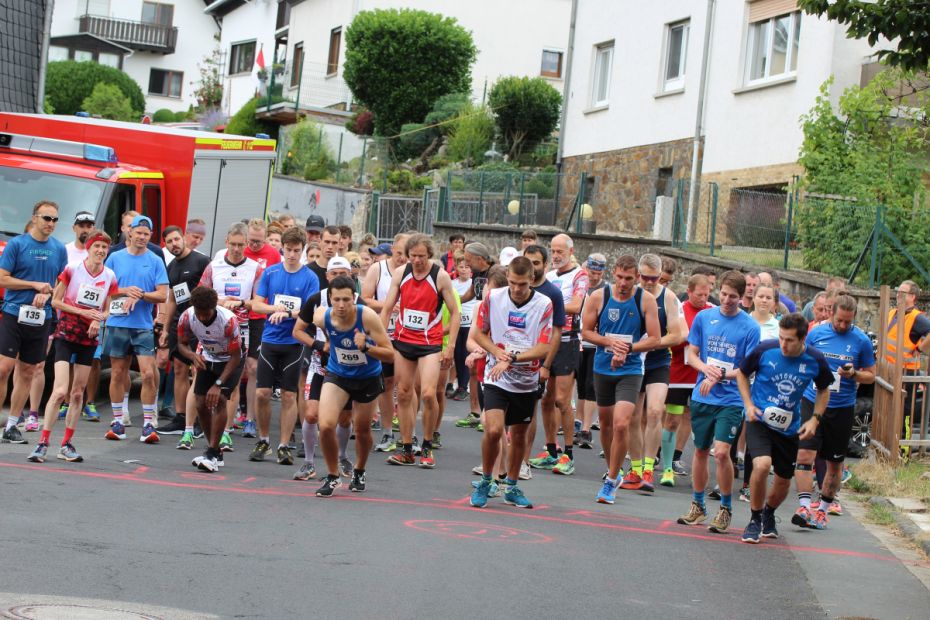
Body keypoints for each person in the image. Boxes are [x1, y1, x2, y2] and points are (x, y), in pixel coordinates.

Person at [736, 313, 833, 544]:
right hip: (759, 420)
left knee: (783, 481)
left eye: (789, 340)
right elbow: (741, 373)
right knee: (761, 465)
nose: (783, 344)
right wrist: (748, 404)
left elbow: (824, 389)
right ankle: (754, 518)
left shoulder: (814, 359)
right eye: (781, 338)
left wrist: (815, 419)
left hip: (789, 428)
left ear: (802, 339)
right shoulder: (765, 350)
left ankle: (769, 513)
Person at [677, 270, 760, 533]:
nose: (726, 300)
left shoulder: (750, 327)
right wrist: (707, 369)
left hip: (731, 399)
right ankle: (698, 505)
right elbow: (691, 354)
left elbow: (749, 369)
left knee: (722, 452)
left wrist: (722, 373)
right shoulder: (704, 317)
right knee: (700, 450)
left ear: (742, 297)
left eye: (732, 297)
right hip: (703, 395)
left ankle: (725, 508)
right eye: (723, 294)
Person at [469, 256, 554, 509]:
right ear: (507, 278)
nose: (517, 289)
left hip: (526, 379)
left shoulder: (544, 304)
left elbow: (543, 347)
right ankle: (486, 480)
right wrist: (497, 352)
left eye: (522, 284)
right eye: (513, 283)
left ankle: (512, 486)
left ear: (532, 280)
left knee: (518, 436)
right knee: (494, 430)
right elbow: (478, 333)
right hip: (497, 376)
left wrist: (513, 358)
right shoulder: (494, 299)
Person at [28, 229, 118, 462]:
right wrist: (82, 311)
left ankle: (66, 444)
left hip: (88, 339)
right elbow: (56, 300)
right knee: (60, 391)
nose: (100, 251)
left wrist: (99, 318)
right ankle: (42, 443)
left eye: (104, 248)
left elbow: (108, 308)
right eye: (97, 246)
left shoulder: (109, 275)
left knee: (78, 394)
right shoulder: (72, 269)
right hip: (67, 333)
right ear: (88, 248)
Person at [583, 255, 660, 505]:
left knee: (621, 424)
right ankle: (613, 471)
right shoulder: (599, 296)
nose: (623, 283)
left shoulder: (645, 300)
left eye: (629, 278)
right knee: (605, 424)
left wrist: (627, 348)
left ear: (637, 278)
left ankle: (610, 480)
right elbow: (585, 331)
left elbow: (655, 339)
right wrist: (609, 342)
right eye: (619, 277)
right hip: (603, 368)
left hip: (630, 370)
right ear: (613, 274)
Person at [794, 295, 876, 529]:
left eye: (847, 322)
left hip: (841, 406)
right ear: (831, 313)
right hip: (812, 400)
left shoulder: (861, 340)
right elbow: (803, 361)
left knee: (834, 463)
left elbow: (871, 374)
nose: (842, 325)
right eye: (839, 320)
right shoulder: (817, 334)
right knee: (804, 456)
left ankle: (822, 510)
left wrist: (854, 374)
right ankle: (804, 506)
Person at [381, 234, 460, 468]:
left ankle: (427, 445)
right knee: (404, 393)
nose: (417, 260)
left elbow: (455, 313)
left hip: (430, 343)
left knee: (427, 393)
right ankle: (406, 448)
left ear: (430, 255)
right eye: (413, 256)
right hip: (404, 340)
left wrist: (451, 347)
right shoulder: (401, 274)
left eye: (421, 256)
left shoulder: (440, 276)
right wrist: (379, 337)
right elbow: (386, 309)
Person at [312, 276, 394, 497]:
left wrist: (367, 346)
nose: (341, 305)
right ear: (330, 298)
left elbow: (390, 354)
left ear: (354, 298)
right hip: (338, 374)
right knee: (326, 425)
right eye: (336, 299)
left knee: (362, 430)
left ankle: (359, 469)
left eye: (346, 300)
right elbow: (312, 323)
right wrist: (326, 343)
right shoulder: (323, 317)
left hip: (367, 377)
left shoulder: (366, 317)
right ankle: (332, 475)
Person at [249, 227, 320, 465]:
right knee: (262, 393)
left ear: (303, 251)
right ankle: (263, 440)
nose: (292, 255)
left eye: (296, 251)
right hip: (270, 340)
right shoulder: (270, 273)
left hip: (294, 342)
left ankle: (284, 444)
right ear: (283, 249)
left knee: (289, 395)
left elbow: (311, 311)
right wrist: (275, 310)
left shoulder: (309, 277)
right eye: (288, 250)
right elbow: (257, 305)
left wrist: (288, 312)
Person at [0, 201, 68, 445]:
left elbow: (62, 283)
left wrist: (48, 293)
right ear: (35, 218)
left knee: (28, 370)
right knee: (4, 368)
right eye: (46, 218)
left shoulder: (59, 249)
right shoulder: (17, 245)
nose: (50, 223)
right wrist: (33, 285)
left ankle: (11, 425)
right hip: (13, 312)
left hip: (42, 318)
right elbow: (3, 279)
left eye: (54, 220)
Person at [101, 215, 169, 443]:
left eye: (146, 234)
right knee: (118, 373)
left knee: (148, 373)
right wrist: (125, 290)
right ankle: (118, 420)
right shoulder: (114, 258)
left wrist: (140, 294)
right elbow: (104, 289)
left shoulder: (155, 260)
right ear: (129, 232)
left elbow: (162, 294)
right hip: (117, 323)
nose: (141, 237)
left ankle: (149, 423)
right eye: (138, 232)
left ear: (150, 237)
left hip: (142, 326)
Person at [198, 222, 264, 450]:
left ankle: (226, 432)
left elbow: (260, 302)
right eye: (232, 244)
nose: (236, 249)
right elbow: (200, 294)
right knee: (202, 377)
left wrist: (241, 303)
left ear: (247, 245)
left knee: (233, 383)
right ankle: (199, 428)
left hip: (240, 328)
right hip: (211, 327)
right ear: (226, 243)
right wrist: (218, 302)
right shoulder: (213, 267)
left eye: (240, 245)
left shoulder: (255, 268)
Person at [293, 257, 359, 480]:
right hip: (320, 366)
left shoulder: (358, 302)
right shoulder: (316, 299)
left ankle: (342, 457)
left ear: (350, 276)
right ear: (327, 276)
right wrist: (320, 345)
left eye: (344, 273)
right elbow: (298, 331)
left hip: (347, 368)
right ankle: (309, 462)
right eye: (334, 273)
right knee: (311, 415)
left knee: (344, 419)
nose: (339, 277)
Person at [625, 253, 685, 492]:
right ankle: (636, 467)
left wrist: (651, 342)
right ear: (638, 274)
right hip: (632, 361)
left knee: (655, 411)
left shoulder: (668, 297)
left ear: (661, 277)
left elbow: (676, 335)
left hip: (658, 360)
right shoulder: (630, 293)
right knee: (632, 416)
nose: (649, 282)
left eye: (654, 278)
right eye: (645, 277)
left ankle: (649, 468)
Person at [178, 286, 244, 473]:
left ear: (214, 308)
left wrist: (218, 384)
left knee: (220, 400)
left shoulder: (228, 320)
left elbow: (236, 357)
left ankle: (212, 453)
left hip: (231, 360)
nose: (202, 318)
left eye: (206, 314)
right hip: (207, 357)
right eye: (199, 314)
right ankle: (214, 451)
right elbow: (182, 344)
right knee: (200, 403)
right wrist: (191, 355)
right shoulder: (187, 316)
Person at [537, 233, 588, 475]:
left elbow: (576, 305)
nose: (556, 256)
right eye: (553, 251)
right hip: (547, 340)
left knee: (562, 400)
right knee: (546, 399)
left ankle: (568, 453)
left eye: (560, 251)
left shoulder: (580, 275)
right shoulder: (547, 276)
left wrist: (548, 302)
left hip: (568, 340)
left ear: (570, 251)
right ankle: (551, 449)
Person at [155, 226, 211, 445]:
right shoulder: (171, 266)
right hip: (180, 324)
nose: (174, 244)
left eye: (177, 239)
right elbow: (170, 299)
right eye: (169, 242)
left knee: (198, 370)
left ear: (184, 238)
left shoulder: (201, 261)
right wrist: (166, 329)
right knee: (178, 369)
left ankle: (197, 419)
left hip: (201, 323)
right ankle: (180, 417)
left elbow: (210, 291)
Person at [662, 274, 714, 485]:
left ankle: (677, 457)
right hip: (679, 374)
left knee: (695, 419)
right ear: (689, 292)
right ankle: (666, 468)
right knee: (672, 418)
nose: (703, 298)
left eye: (706, 294)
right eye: (699, 294)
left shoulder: (712, 310)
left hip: (701, 375)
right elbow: (675, 337)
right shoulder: (679, 308)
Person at [520, 245, 566, 478]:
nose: (532, 266)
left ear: (544, 265)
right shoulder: (515, 288)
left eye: (536, 263)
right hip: (515, 357)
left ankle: (524, 462)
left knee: (532, 409)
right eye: (528, 261)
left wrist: (546, 365)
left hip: (540, 360)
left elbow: (556, 332)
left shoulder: (552, 293)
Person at [361, 234, 408, 451]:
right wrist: (387, 306)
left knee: (408, 386)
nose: (402, 258)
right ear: (392, 250)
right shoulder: (378, 269)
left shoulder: (417, 271)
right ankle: (388, 433)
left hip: (409, 335)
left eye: (406, 254)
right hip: (385, 334)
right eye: (398, 253)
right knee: (387, 384)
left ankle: (410, 435)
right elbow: (365, 298)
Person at [577, 254, 607, 449]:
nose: (594, 277)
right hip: (578, 341)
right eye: (591, 272)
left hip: (595, 343)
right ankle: (578, 424)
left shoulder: (606, 290)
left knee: (591, 386)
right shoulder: (579, 285)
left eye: (598, 273)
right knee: (580, 385)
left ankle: (587, 429)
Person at [449, 251, 474, 401]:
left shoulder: (474, 284)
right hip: (457, 323)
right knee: (457, 356)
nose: (464, 269)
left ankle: (464, 386)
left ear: (471, 269)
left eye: (466, 267)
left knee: (465, 355)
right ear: (456, 268)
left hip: (470, 324)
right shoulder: (452, 285)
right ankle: (459, 386)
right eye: (461, 266)